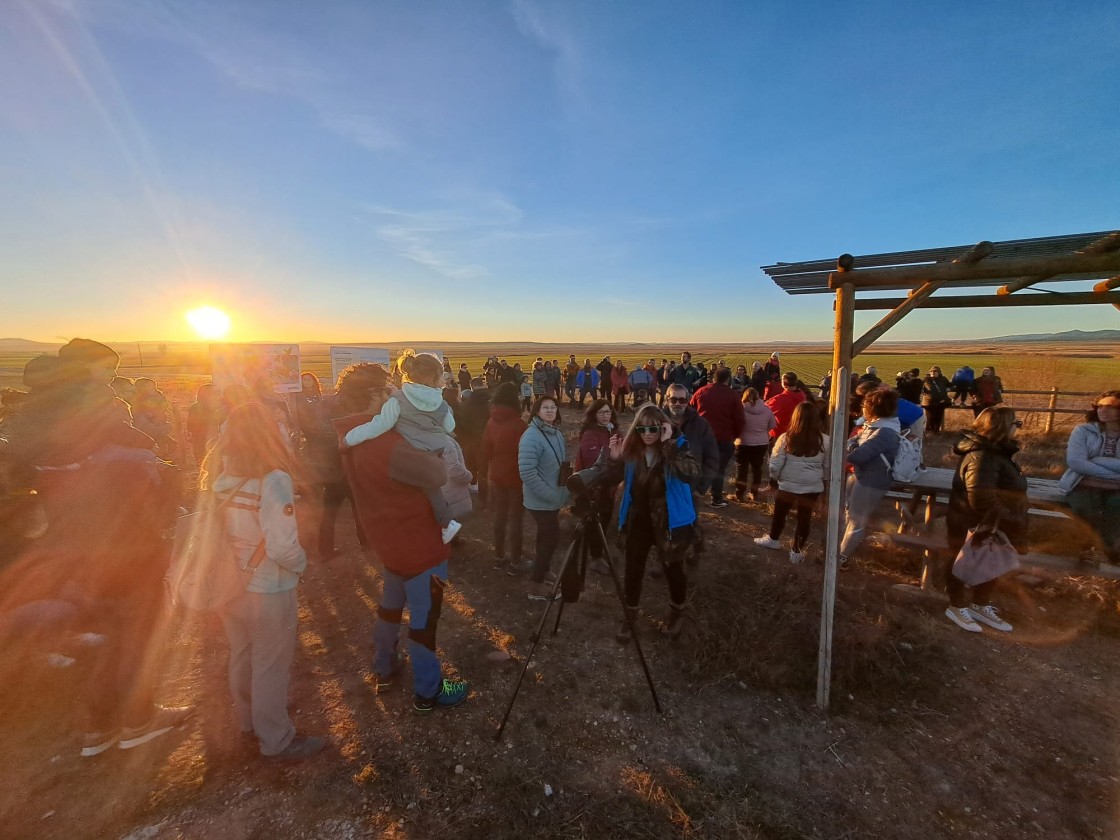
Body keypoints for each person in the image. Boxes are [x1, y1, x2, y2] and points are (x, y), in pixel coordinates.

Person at [334, 363, 469, 712]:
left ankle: (385, 667)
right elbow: (437, 473)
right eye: (391, 390)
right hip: (419, 547)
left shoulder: (351, 436)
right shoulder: (384, 444)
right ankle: (429, 690)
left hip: (389, 542)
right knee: (425, 620)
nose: (396, 395)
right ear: (376, 395)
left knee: (390, 608)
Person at [204, 403, 324, 759]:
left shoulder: (221, 477)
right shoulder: (274, 480)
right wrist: (301, 565)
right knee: (270, 663)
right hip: (268, 587)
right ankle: (276, 739)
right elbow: (282, 546)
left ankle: (248, 722)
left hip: (229, 583)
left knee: (241, 655)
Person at [342, 350, 461, 544]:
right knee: (432, 490)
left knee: (425, 491)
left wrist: (350, 438)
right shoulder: (441, 403)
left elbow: (379, 425)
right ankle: (444, 523)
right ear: (433, 378)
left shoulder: (398, 400)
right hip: (436, 451)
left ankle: (447, 522)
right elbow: (450, 426)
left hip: (413, 452)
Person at [606, 403, 700, 642]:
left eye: (653, 429)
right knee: (633, 569)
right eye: (642, 429)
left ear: (664, 428)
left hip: (670, 522)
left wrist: (669, 445)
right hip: (639, 520)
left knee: (673, 569)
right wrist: (615, 460)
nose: (647, 434)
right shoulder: (633, 452)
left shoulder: (678, 446)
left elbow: (690, 473)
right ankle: (630, 616)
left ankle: (677, 611)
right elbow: (617, 480)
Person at [944, 407, 1027, 633]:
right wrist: (1010, 520)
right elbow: (981, 498)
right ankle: (957, 605)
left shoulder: (996, 453)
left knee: (990, 563)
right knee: (962, 561)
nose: (1018, 428)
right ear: (1001, 427)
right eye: (1016, 423)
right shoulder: (983, 457)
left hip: (992, 523)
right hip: (973, 522)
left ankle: (979, 604)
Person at [753, 402, 830, 563]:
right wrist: (822, 480)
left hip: (787, 485)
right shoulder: (825, 441)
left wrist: (777, 478)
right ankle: (797, 551)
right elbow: (828, 465)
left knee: (780, 514)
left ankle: (773, 539)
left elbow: (775, 463)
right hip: (812, 486)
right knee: (804, 518)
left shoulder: (786, 438)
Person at [838, 388, 901, 570]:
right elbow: (853, 442)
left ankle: (841, 558)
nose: (863, 408)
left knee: (857, 521)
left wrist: (851, 448)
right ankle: (840, 551)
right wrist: (852, 447)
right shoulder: (875, 427)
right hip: (861, 476)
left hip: (871, 481)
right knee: (850, 515)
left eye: (866, 405)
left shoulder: (885, 432)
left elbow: (857, 455)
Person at [518, 396, 571, 600]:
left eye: (553, 407)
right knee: (551, 538)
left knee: (545, 537)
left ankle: (544, 569)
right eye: (545, 407)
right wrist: (550, 495)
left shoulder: (555, 432)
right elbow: (527, 472)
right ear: (536, 411)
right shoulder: (531, 436)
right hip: (540, 500)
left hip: (554, 497)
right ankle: (535, 585)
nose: (550, 410)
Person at [1060, 391, 1120, 565]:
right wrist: (1115, 474)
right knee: (1087, 509)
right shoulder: (1083, 431)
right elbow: (1076, 462)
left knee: (1116, 510)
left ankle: (1110, 552)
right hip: (1083, 483)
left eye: (1110, 406)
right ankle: (1088, 551)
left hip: (1117, 488)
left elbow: (1086, 461)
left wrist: (1095, 460)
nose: (1103, 410)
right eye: (1100, 406)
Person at [482, 383, 527, 572]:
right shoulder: (519, 425)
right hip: (516, 477)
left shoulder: (491, 421)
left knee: (500, 516)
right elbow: (526, 454)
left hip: (497, 475)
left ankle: (499, 555)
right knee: (516, 518)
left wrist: (485, 475)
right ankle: (516, 560)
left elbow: (485, 450)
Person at [689, 367, 745, 508]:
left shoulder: (701, 392)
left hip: (701, 438)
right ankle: (716, 498)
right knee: (718, 470)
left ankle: (692, 495)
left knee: (697, 467)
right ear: (728, 379)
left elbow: (690, 412)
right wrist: (734, 436)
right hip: (723, 438)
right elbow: (739, 420)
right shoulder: (732, 395)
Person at [575, 399, 619, 574]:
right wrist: (614, 458)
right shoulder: (590, 434)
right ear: (594, 415)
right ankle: (595, 558)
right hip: (594, 487)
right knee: (596, 522)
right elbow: (593, 461)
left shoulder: (614, 431)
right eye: (601, 412)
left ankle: (599, 551)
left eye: (608, 412)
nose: (605, 415)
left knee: (606, 519)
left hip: (610, 484)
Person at [664, 384, 719, 498]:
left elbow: (711, 457)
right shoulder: (656, 422)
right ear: (667, 400)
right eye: (673, 399)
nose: (677, 404)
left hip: (690, 489)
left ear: (688, 401)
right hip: (662, 489)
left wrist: (701, 488)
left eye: (682, 400)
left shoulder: (701, 424)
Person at [735, 387, 776, 502]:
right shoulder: (767, 409)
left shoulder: (740, 409)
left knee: (741, 468)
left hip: (743, 442)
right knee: (757, 468)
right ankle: (754, 492)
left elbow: (735, 424)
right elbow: (772, 425)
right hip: (761, 442)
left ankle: (740, 493)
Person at [765, 372, 807, 448]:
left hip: (780, 435)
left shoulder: (780, 399)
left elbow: (764, 409)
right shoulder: (802, 396)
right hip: (798, 433)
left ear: (784, 384)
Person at [186, 383, 221, 468]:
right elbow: (191, 426)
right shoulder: (196, 408)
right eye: (216, 392)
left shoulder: (220, 407)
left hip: (215, 439)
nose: (219, 394)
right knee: (203, 461)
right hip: (201, 438)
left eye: (218, 392)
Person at [921, 366, 953, 434]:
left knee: (938, 416)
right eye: (931, 371)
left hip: (940, 401)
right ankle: (928, 430)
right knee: (929, 417)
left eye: (935, 371)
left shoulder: (943, 379)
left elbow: (950, 385)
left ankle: (936, 430)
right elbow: (921, 386)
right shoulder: (926, 379)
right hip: (929, 401)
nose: (933, 373)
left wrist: (951, 385)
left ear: (939, 372)